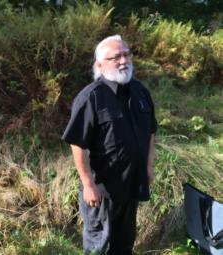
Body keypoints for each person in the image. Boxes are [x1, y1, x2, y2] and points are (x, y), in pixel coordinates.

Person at [61, 35, 157, 255]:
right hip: (103, 190)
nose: (124, 61)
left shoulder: (141, 92)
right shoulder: (91, 98)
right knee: (100, 246)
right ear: (100, 65)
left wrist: (149, 167)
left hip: (132, 183)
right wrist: (88, 185)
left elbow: (151, 132)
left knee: (125, 242)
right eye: (116, 57)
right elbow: (78, 144)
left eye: (126, 54)